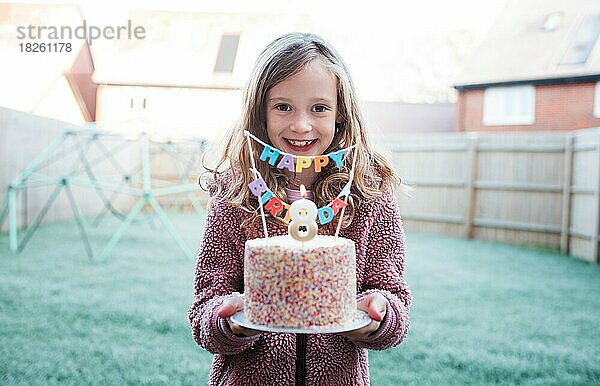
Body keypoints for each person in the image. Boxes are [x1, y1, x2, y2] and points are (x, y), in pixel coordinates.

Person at [188, 32, 411, 385]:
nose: (301, 125)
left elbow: (394, 296)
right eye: (283, 106)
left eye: (319, 108)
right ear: (260, 112)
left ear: (340, 114)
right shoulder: (236, 193)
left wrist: (378, 317)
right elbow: (205, 308)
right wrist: (227, 321)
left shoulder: (369, 191)